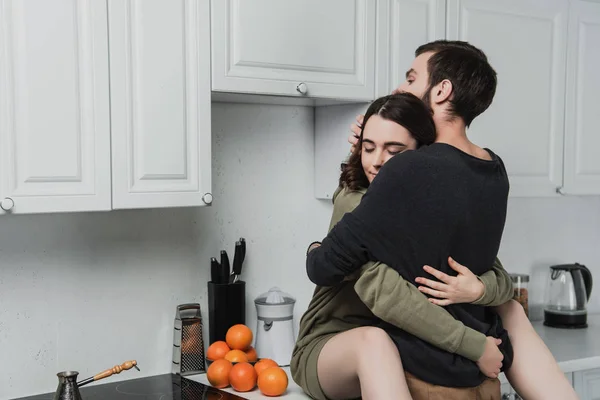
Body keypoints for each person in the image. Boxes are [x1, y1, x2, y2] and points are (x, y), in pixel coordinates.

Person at [301, 40, 578, 400]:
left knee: (506, 308)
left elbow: (483, 265)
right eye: (369, 146)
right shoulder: (489, 168)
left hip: (390, 335)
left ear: (442, 89)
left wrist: (481, 291)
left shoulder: (416, 172)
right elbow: (377, 286)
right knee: (380, 340)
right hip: (348, 341)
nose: (402, 88)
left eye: (412, 78)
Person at [291, 92, 513, 400]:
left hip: (398, 349)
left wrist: (478, 288)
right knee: (374, 342)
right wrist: (475, 346)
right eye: (367, 148)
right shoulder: (357, 201)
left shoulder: (428, 205)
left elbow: (498, 275)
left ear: (421, 155)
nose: (377, 161)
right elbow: (386, 295)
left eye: (393, 150)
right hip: (330, 347)